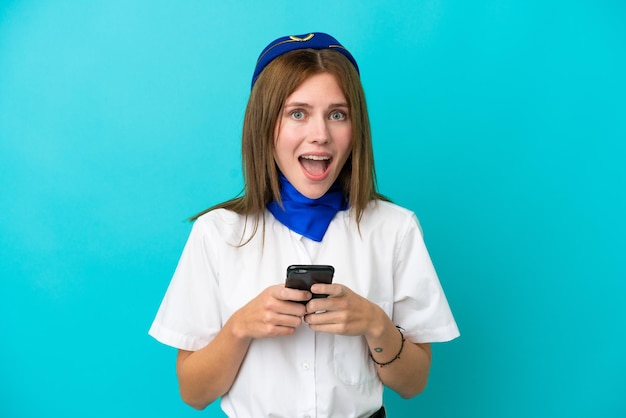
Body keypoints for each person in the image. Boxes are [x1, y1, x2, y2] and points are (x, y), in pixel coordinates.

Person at [149, 32, 459, 418]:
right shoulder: (217, 234)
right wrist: (239, 328)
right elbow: (193, 393)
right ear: (265, 126)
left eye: (337, 114)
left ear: (355, 127)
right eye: (298, 113)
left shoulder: (395, 229)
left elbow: (413, 385)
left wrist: (376, 325)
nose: (321, 135)